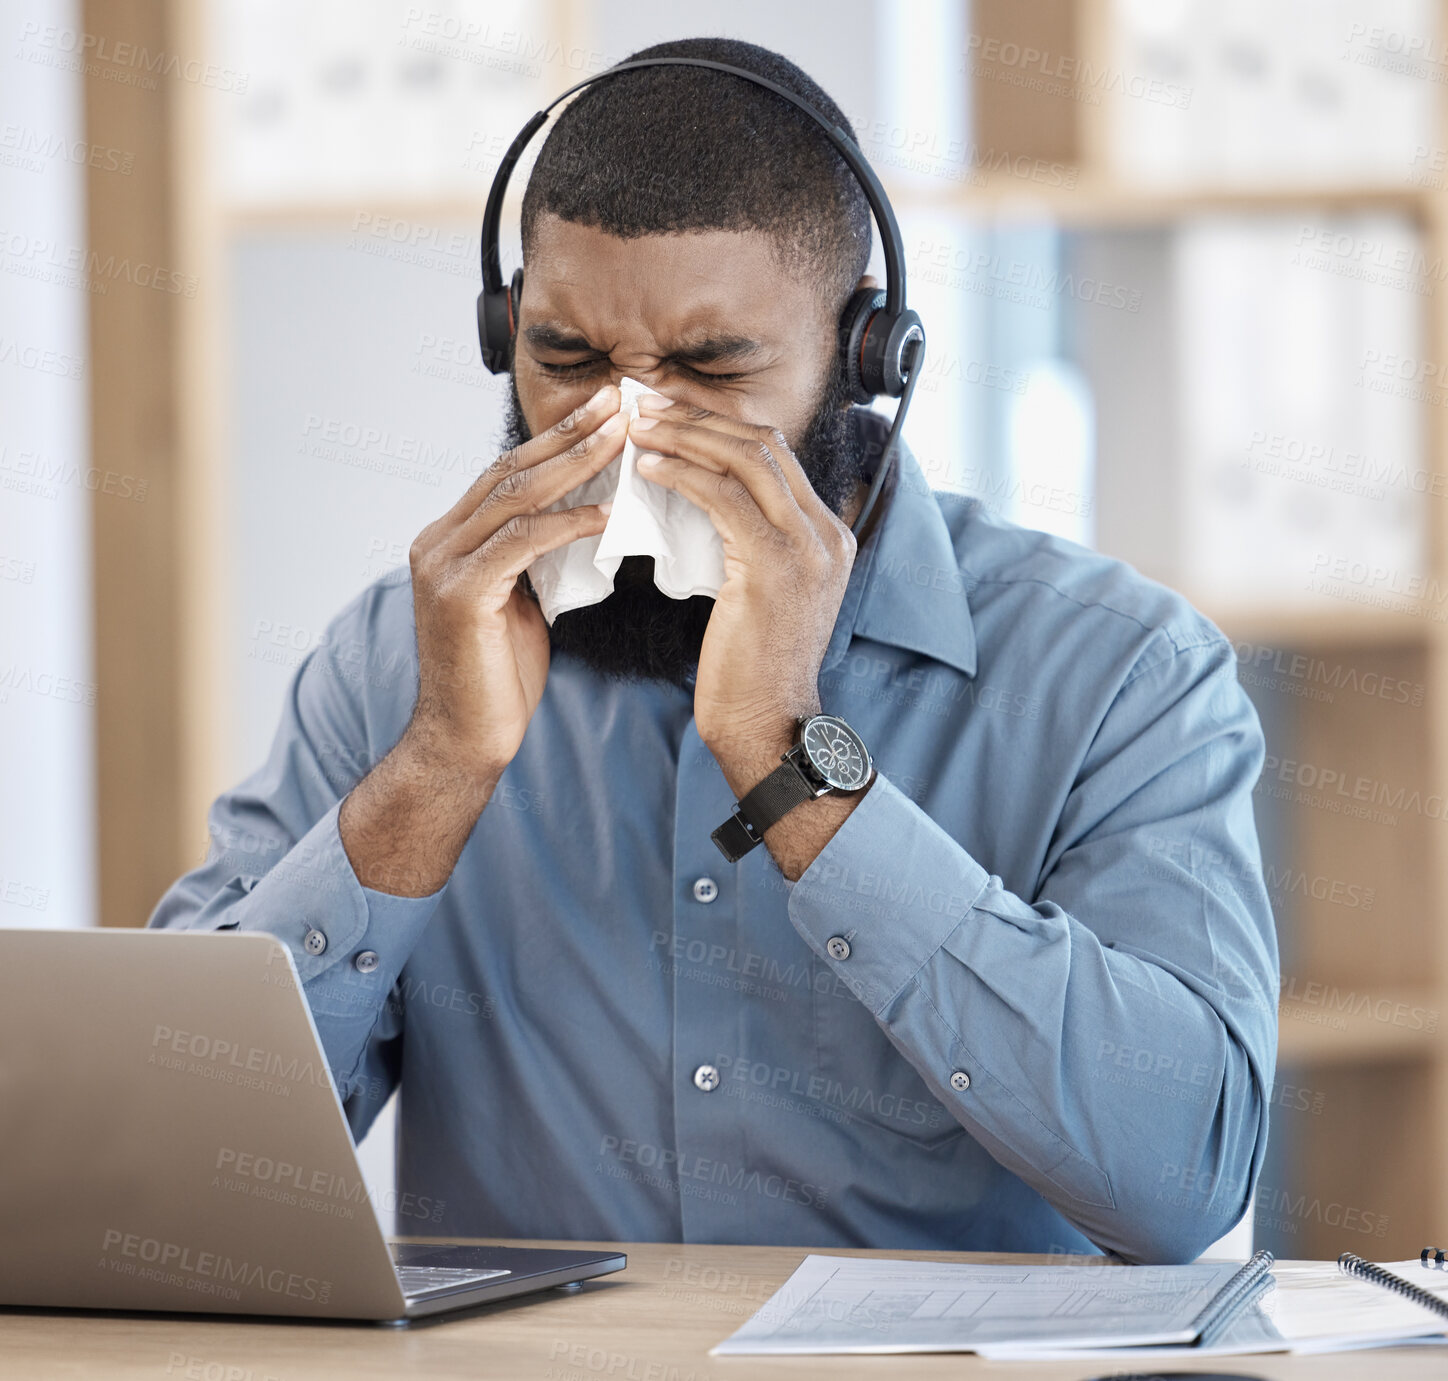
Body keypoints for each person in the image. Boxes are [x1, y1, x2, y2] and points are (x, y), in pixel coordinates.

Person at [149, 36, 1278, 1264]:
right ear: (503, 332)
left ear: (866, 361)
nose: (621, 432)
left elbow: (1183, 1180)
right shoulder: (395, 660)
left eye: (710, 368)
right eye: (564, 358)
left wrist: (791, 763)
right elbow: (164, 1173)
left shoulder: (1119, 673)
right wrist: (433, 770)